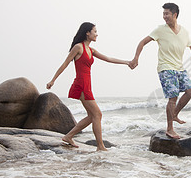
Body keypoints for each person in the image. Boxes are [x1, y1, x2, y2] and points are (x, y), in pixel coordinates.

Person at [47, 22, 130, 151]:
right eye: (95, 31)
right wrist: (53, 80)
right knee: (97, 114)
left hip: (87, 85)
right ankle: (100, 146)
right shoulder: (78, 47)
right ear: (87, 33)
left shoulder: (91, 50)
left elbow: (108, 58)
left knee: (93, 116)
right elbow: (65, 63)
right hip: (81, 84)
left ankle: (68, 136)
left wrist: (127, 62)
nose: (97, 34)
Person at [129, 3, 191, 139]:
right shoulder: (160, 30)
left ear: (175, 15)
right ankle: (170, 129)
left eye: (167, 14)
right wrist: (136, 58)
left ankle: (174, 115)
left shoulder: (184, 32)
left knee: (190, 91)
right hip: (165, 68)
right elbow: (143, 42)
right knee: (173, 96)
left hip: (179, 68)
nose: (164, 17)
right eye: (163, 14)